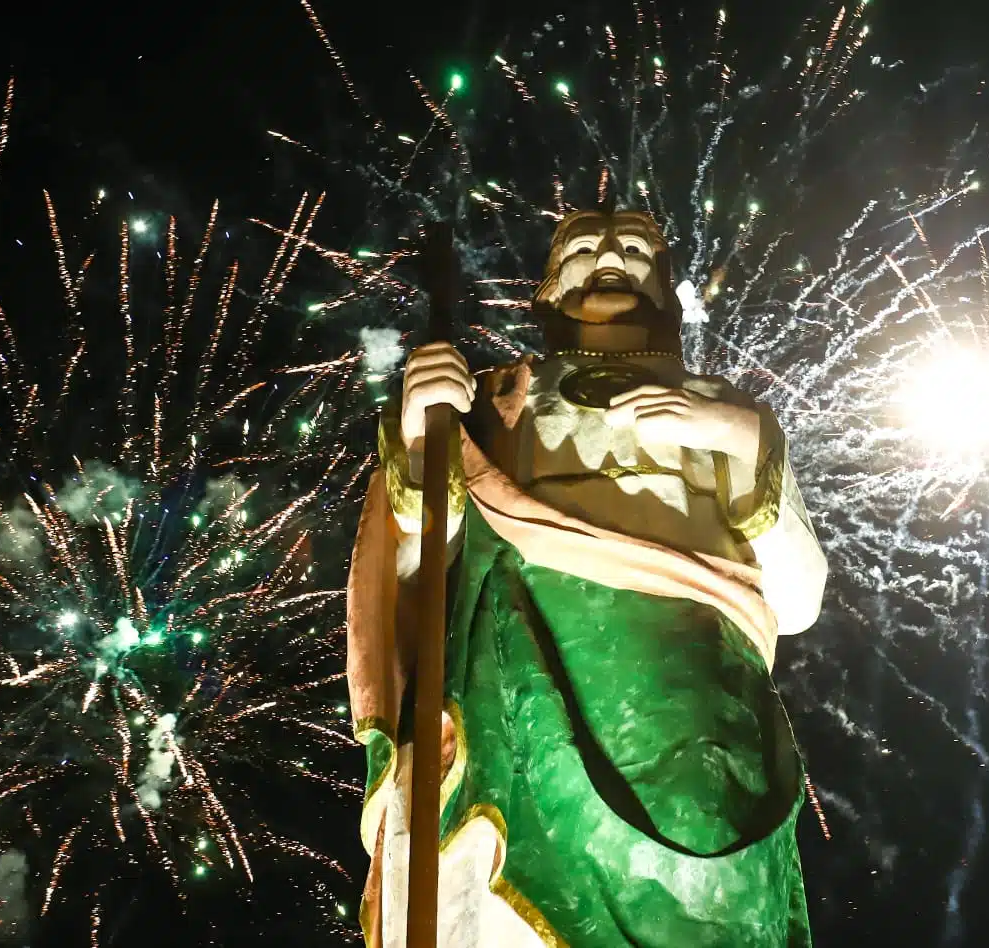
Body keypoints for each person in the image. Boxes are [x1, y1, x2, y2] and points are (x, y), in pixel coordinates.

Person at [346, 208, 828, 946]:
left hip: (694, 719)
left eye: (634, 248)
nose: (610, 257)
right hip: (514, 698)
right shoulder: (486, 401)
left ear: (664, 287)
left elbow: (797, 599)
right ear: (547, 288)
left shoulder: (728, 411)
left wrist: (735, 437)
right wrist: (420, 435)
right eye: (583, 249)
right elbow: (414, 566)